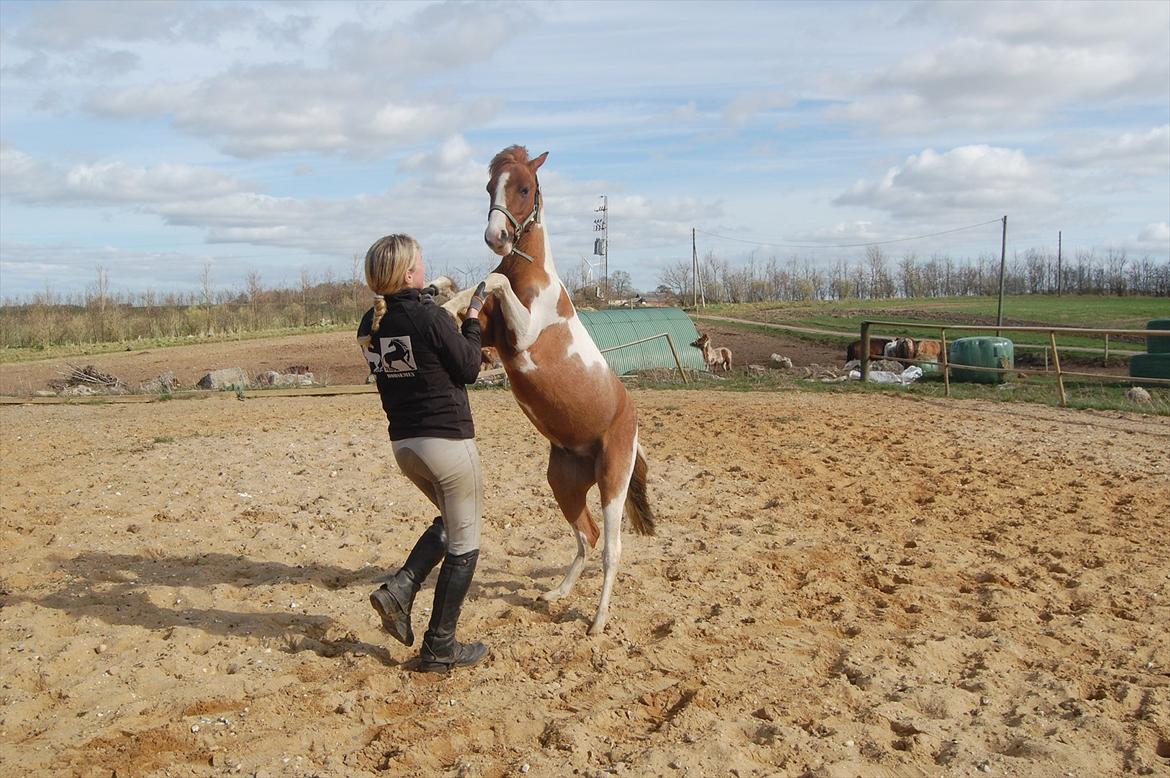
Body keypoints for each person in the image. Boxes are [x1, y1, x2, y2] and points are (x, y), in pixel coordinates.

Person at [357, 234, 489, 673]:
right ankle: (439, 647)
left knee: (451, 522)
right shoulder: (429, 317)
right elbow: (469, 367)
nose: (424, 263)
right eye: (419, 260)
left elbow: (406, 340)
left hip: (405, 447)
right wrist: (473, 319)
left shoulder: (368, 324)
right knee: (465, 542)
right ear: (410, 271)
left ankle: (401, 588)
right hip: (447, 443)